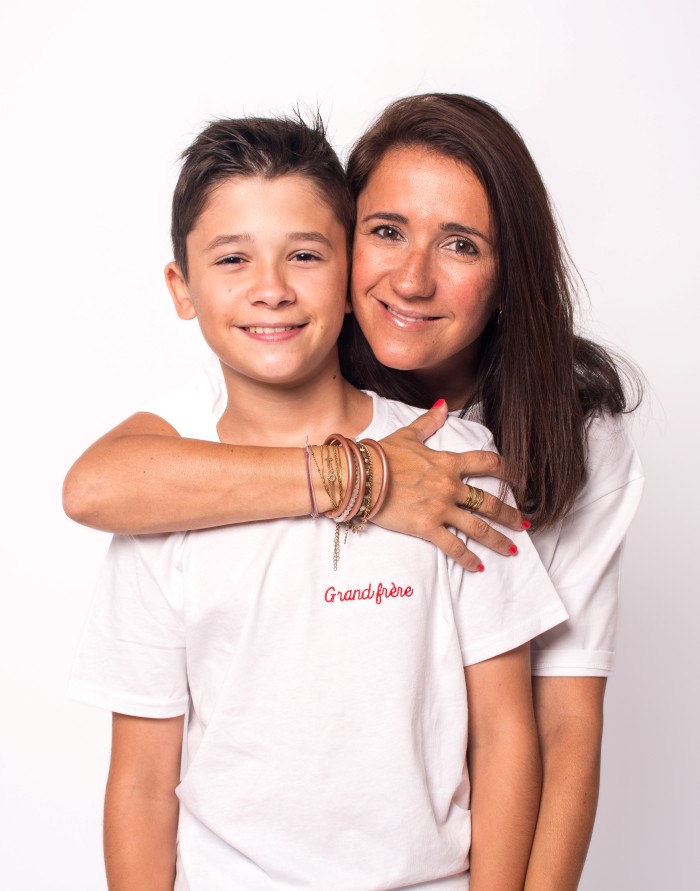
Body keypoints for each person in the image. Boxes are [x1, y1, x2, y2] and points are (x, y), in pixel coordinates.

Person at [64, 95, 644, 890]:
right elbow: (99, 489)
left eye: (461, 244)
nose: (411, 279)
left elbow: (550, 724)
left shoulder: (480, 455)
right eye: (388, 231)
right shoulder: (194, 461)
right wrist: (366, 477)